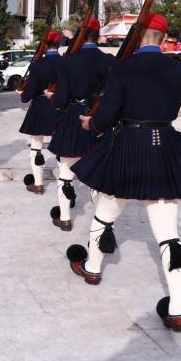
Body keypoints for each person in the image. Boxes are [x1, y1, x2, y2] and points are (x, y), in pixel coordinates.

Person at [68, 13, 181, 333]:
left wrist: (93, 123)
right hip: (165, 143)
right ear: (164, 38)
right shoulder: (178, 67)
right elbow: (180, 98)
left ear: (139, 34)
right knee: (168, 236)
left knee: (105, 215)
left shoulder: (124, 66)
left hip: (128, 144)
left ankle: (92, 267)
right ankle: (180, 310)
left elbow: (110, 111)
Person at [44, 18, 115, 231]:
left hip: (73, 118)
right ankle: (100, 223)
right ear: (98, 35)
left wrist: (52, 98)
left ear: (81, 36)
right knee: (96, 174)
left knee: (66, 174)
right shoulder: (109, 60)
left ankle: (65, 218)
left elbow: (62, 99)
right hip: (98, 119)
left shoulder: (68, 61)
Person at [16, 31, 63, 196]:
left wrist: (21, 94)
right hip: (60, 107)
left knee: (36, 145)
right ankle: (65, 183)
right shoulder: (66, 63)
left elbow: (28, 93)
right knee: (62, 148)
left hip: (41, 106)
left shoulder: (38, 65)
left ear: (46, 45)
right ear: (58, 45)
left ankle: (38, 184)